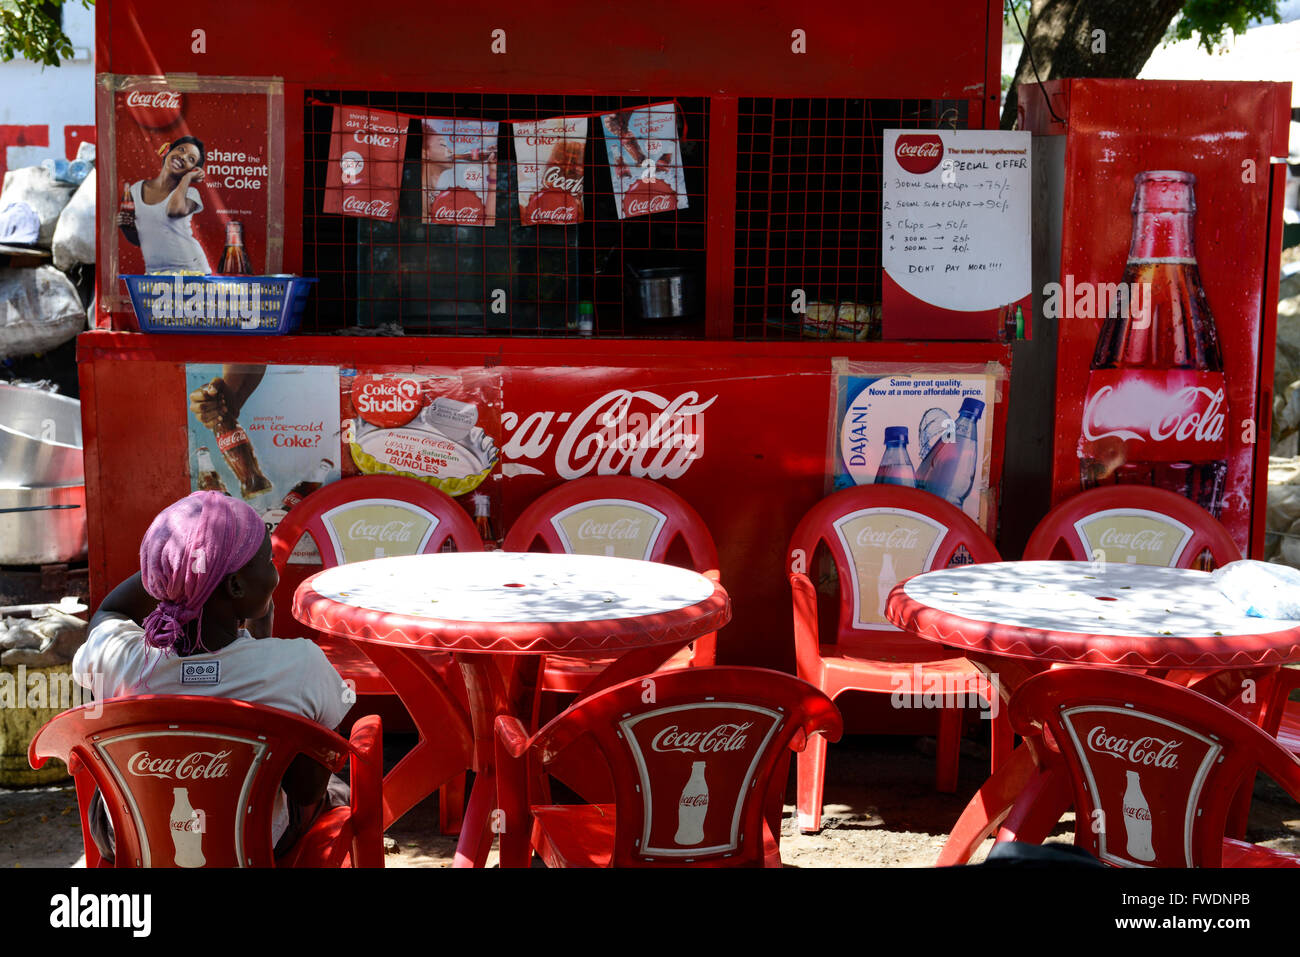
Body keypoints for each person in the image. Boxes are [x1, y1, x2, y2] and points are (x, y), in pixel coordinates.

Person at [74, 491, 353, 860]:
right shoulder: (297, 666)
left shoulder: (115, 657)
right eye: (268, 560)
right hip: (254, 846)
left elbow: (110, 610)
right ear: (237, 587)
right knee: (337, 790)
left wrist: (177, 568)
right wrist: (260, 645)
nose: (274, 571)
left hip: (130, 840)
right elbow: (305, 791)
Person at [117, 135, 212, 274]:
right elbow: (142, 240)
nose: (183, 157)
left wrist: (186, 179)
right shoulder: (135, 190)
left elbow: (174, 211)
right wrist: (125, 227)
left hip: (192, 271)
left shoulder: (191, 194)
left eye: (191, 159)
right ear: (168, 151)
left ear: (193, 170)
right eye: (181, 149)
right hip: (154, 272)